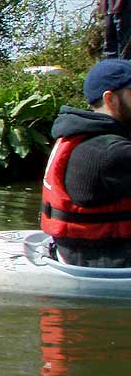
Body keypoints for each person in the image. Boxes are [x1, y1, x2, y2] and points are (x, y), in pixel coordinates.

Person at [40, 59, 131, 267]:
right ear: (111, 100)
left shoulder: (86, 134)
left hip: (83, 248)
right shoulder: (110, 152)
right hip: (101, 258)